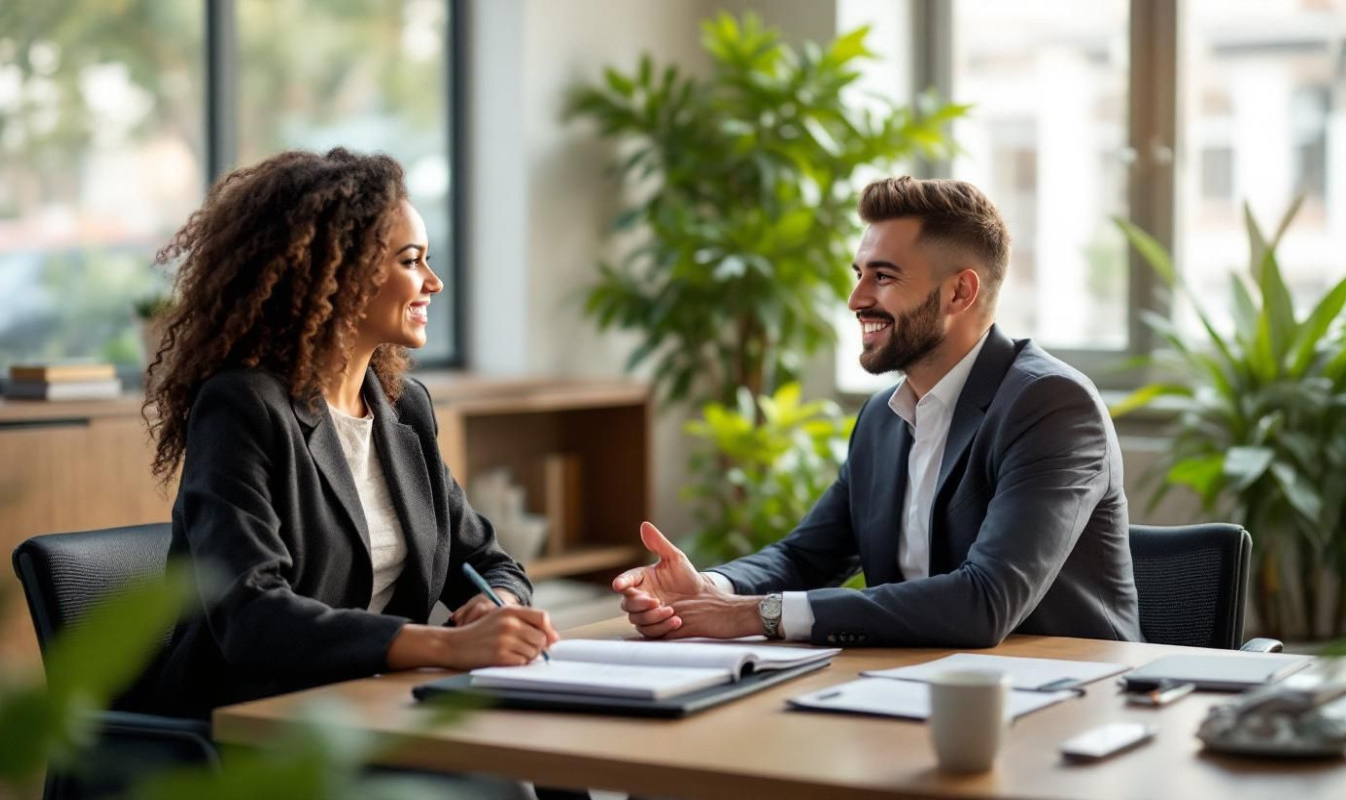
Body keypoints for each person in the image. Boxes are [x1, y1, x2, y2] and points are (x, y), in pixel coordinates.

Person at [613, 176, 1141, 648]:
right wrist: (709, 588)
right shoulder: (882, 418)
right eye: (859, 273)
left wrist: (751, 614)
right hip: (915, 684)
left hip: (1070, 695)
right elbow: (806, 557)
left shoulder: (1051, 405)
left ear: (959, 292)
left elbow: (984, 602)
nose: (856, 298)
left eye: (883, 277)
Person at [142, 148, 558, 719]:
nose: (433, 282)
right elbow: (251, 616)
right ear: (338, 274)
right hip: (251, 721)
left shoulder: (404, 409)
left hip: (372, 704)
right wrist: (445, 646)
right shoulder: (242, 407)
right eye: (411, 261)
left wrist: (497, 605)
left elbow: (490, 561)